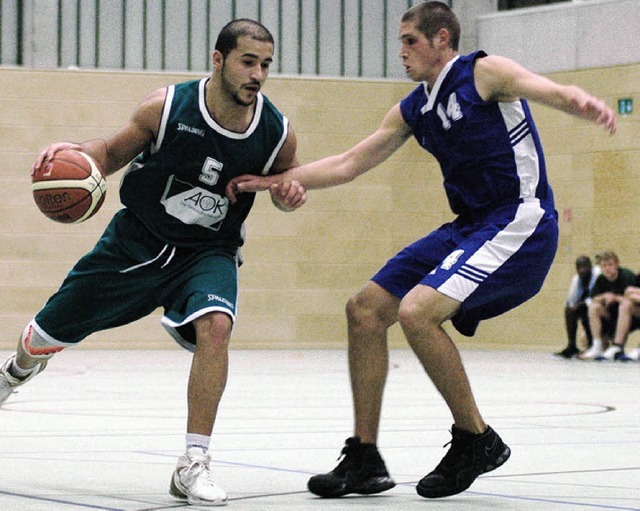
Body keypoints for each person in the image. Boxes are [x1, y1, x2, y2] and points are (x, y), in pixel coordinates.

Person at [226, 1, 617, 500]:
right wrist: (273, 180)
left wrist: (577, 99)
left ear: (442, 40)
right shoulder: (416, 106)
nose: (402, 52)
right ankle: (364, 457)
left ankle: (476, 438)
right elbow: (348, 163)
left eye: (410, 40)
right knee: (365, 310)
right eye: (401, 41)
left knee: (416, 312)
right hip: (469, 226)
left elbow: (540, 86)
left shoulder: (481, 71)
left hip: (521, 220)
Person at [0, 19, 306, 506]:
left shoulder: (276, 133)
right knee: (41, 339)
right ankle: (12, 374)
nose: (258, 74)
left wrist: (289, 193)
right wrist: (82, 157)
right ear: (218, 59)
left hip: (208, 252)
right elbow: (111, 152)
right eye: (248, 61)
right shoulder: (166, 108)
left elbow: (287, 186)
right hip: (135, 244)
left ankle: (193, 463)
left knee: (216, 327)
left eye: (265, 64)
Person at [580, 251, 636, 360]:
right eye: (604, 265)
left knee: (625, 305)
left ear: (617, 265)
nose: (607, 268)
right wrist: (604, 296)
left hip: (631, 315)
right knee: (594, 307)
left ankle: (617, 346)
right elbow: (593, 298)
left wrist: (615, 298)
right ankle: (597, 345)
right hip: (611, 315)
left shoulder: (627, 276)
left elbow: (633, 299)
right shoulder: (601, 279)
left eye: (610, 264)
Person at [555, 255, 601, 358]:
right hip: (585, 307)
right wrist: (572, 307)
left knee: (587, 309)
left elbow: (597, 296)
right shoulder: (577, 280)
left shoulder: (598, 275)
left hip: (599, 306)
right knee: (569, 310)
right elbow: (571, 300)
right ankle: (571, 345)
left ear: (590, 266)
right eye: (579, 267)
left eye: (584, 267)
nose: (582, 270)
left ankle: (593, 344)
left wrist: (582, 304)